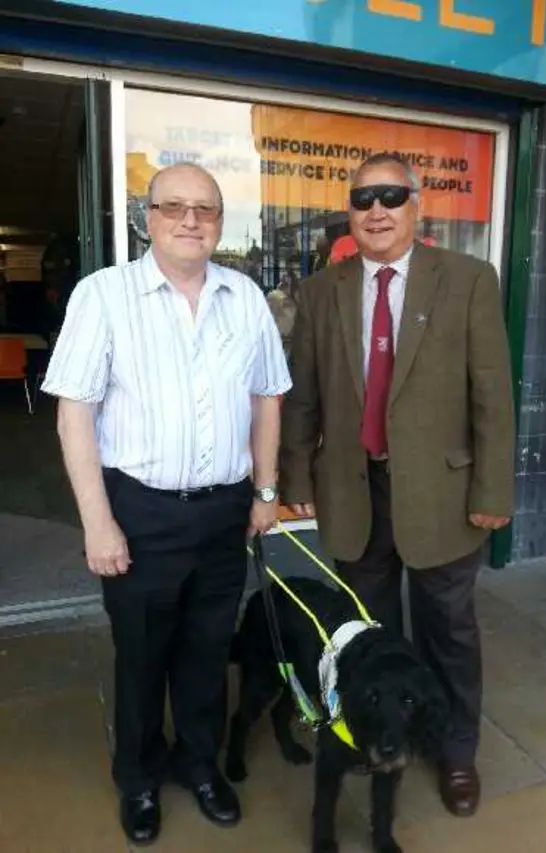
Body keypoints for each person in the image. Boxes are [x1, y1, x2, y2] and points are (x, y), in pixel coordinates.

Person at [41, 163, 291, 845]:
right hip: (141, 512)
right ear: (145, 217)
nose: (191, 219)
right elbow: (74, 415)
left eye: (205, 209)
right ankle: (139, 778)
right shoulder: (105, 295)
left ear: (219, 222)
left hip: (223, 510)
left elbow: (269, 397)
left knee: (208, 650)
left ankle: (200, 764)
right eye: (174, 206)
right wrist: (98, 521)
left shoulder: (245, 298)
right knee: (142, 655)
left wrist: (266, 490)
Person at [279, 152, 515, 819]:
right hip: (352, 492)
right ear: (350, 212)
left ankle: (455, 751)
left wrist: (494, 490)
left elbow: (492, 395)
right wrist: (294, 473)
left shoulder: (468, 279)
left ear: (417, 207)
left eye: (390, 196)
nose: (376, 209)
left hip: (443, 495)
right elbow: (303, 396)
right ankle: (375, 734)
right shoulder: (323, 289)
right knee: (368, 632)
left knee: (449, 630)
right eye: (362, 198)